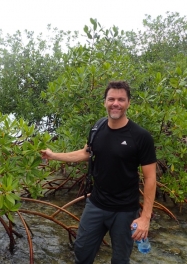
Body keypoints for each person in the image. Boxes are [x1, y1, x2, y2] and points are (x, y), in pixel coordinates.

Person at [41, 81, 156, 264]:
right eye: (111, 99)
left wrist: (145, 218)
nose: (115, 103)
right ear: (105, 102)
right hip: (96, 205)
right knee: (82, 253)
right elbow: (85, 153)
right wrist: (53, 155)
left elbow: (150, 178)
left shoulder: (140, 137)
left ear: (128, 103)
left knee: (120, 259)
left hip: (125, 211)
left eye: (121, 99)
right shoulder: (98, 128)